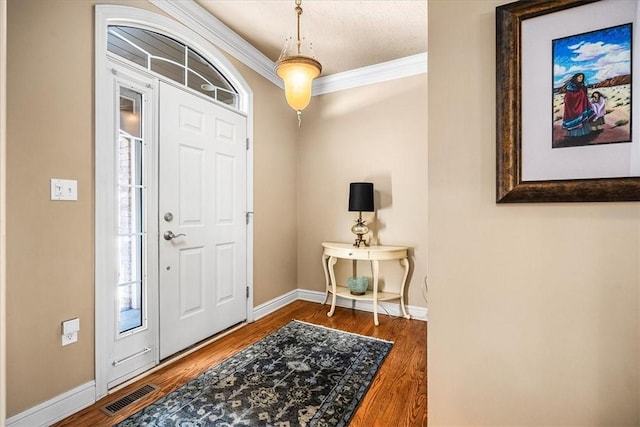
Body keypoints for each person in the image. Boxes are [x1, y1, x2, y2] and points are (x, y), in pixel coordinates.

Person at [561, 73, 595, 137]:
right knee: (576, 120)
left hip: (581, 106)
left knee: (583, 120)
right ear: (576, 78)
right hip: (573, 107)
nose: (581, 79)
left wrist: (582, 92)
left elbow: (584, 95)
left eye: (582, 77)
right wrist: (580, 93)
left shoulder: (581, 85)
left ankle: (584, 134)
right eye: (579, 77)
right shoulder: (571, 86)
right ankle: (575, 136)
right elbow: (569, 97)